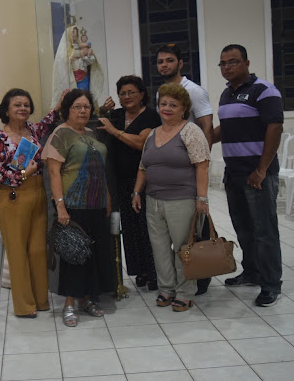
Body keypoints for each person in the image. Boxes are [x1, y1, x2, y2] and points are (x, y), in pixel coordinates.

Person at [214, 44, 283, 307]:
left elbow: (275, 128)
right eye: (223, 63)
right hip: (234, 173)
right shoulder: (226, 94)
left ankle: (271, 284)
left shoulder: (264, 90)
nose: (227, 67)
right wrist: (199, 138)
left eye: (233, 61)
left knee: (264, 231)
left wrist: (261, 170)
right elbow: (226, 128)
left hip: (257, 174)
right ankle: (252, 272)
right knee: (243, 228)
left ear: (246, 63)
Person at [131, 83, 210, 312]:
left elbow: (202, 166)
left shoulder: (191, 131)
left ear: (184, 109)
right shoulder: (152, 134)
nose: (166, 108)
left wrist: (202, 199)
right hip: (153, 200)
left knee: (183, 248)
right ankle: (166, 289)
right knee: (159, 248)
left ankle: (185, 292)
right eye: (163, 104)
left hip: (182, 200)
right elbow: (143, 167)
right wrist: (137, 192)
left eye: (173, 105)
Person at [43, 88, 116, 327]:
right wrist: (60, 207)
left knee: (95, 254)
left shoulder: (91, 133)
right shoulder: (61, 133)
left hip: (97, 204)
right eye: (77, 107)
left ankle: (88, 298)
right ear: (67, 110)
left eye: (86, 107)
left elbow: (100, 169)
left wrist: (107, 198)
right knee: (74, 255)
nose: (83, 111)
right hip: (73, 205)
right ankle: (69, 304)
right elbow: (54, 172)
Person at [0, 88, 63, 317]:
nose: (23, 108)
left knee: (38, 250)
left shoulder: (32, 130)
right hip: (12, 197)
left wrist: (58, 107)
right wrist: (22, 173)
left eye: (26, 105)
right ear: (6, 110)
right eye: (17, 105)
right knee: (18, 253)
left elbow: (46, 123)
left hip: (37, 193)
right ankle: (24, 306)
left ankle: (41, 300)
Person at [156, 43, 214, 295]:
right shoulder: (161, 92)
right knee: (176, 235)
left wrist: (200, 165)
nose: (164, 65)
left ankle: (200, 280)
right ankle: (175, 282)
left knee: (193, 233)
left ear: (180, 63)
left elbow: (206, 127)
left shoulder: (194, 91)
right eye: (160, 61)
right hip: (171, 174)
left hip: (189, 171)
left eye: (169, 60)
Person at [98, 75, 161, 291]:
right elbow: (97, 122)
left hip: (143, 180)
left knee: (146, 227)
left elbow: (141, 143)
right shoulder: (116, 115)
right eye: (122, 93)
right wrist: (102, 110)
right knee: (130, 228)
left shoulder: (151, 116)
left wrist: (115, 131)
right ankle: (140, 270)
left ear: (142, 94)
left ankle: (154, 272)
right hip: (120, 180)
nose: (127, 97)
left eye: (131, 92)